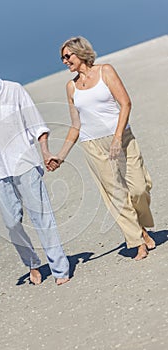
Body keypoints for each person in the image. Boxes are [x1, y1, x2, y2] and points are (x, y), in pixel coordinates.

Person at [0, 52, 70, 285]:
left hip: (25, 163)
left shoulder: (14, 90)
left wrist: (46, 152)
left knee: (42, 217)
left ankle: (60, 269)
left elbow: (36, 124)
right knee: (11, 223)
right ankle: (32, 262)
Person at [46, 36, 155, 260]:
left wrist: (116, 137)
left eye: (68, 56)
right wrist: (61, 156)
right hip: (92, 144)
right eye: (62, 58)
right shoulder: (71, 87)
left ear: (81, 53)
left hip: (121, 138)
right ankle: (137, 240)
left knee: (138, 188)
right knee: (116, 195)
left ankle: (141, 225)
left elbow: (125, 103)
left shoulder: (106, 71)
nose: (65, 61)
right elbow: (76, 125)